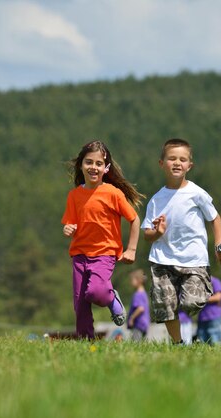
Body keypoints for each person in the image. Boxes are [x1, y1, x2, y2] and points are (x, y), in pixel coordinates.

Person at [142, 138, 221, 344]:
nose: (177, 163)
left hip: (194, 259)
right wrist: (157, 232)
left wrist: (220, 245)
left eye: (182, 159)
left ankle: (194, 297)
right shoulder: (156, 199)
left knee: (192, 302)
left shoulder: (196, 193)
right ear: (162, 163)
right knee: (166, 307)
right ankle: (178, 343)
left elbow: (215, 218)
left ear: (190, 165)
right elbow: (147, 232)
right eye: (172, 158)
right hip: (163, 259)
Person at [62, 140, 143, 339]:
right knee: (80, 303)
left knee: (96, 292)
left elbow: (134, 219)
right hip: (80, 254)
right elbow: (71, 224)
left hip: (105, 254)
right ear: (81, 165)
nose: (93, 167)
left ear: (106, 168)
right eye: (89, 162)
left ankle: (111, 298)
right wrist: (68, 228)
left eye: (98, 164)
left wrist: (131, 249)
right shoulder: (74, 195)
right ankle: (86, 341)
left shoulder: (113, 193)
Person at [197, 276, 221, 345]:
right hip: (202, 316)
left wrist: (203, 299)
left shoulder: (214, 281)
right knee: (201, 339)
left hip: (213, 315)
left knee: (215, 339)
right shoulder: (198, 281)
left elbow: (218, 297)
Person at [127, 269, 150, 341]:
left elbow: (141, 308)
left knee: (136, 342)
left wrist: (132, 318)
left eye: (132, 280)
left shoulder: (138, 294)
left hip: (138, 324)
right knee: (141, 343)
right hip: (144, 324)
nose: (130, 282)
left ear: (139, 281)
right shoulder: (144, 293)